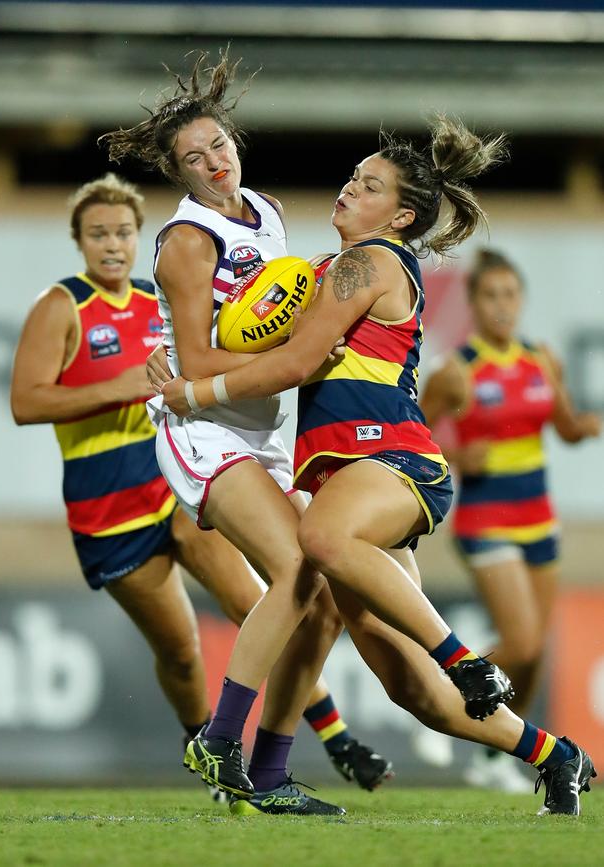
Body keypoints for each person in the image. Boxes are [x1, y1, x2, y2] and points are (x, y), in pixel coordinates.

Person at [160, 118, 597, 816]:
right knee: (410, 687)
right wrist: (187, 353)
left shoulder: (372, 260)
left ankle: (460, 663)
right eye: (352, 176)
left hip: (390, 460)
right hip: (353, 478)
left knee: (317, 546)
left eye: (368, 185)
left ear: (399, 213)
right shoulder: (329, 270)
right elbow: (266, 339)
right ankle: (555, 755)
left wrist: (194, 386)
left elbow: (296, 362)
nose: (348, 187)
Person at [9, 172, 390, 807]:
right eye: (98, 233)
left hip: (173, 483)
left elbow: (203, 359)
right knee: (183, 654)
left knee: (268, 597)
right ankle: (213, 762)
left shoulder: (157, 300)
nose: (112, 244)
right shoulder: (63, 305)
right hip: (110, 510)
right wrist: (122, 386)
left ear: (139, 239)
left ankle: (327, 736)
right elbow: (26, 402)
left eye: (123, 232)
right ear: (78, 240)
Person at [416, 248, 601, 791]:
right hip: (486, 517)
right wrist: (453, 453)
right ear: (474, 303)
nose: (502, 305)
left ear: (521, 300)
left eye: (510, 294)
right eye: (490, 295)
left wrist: (583, 428)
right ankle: (449, 713)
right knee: (519, 644)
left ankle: (492, 757)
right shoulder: (458, 372)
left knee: (536, 647)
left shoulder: (542, 359)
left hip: (539, 517)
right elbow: (419, 433)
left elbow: (563, 425)